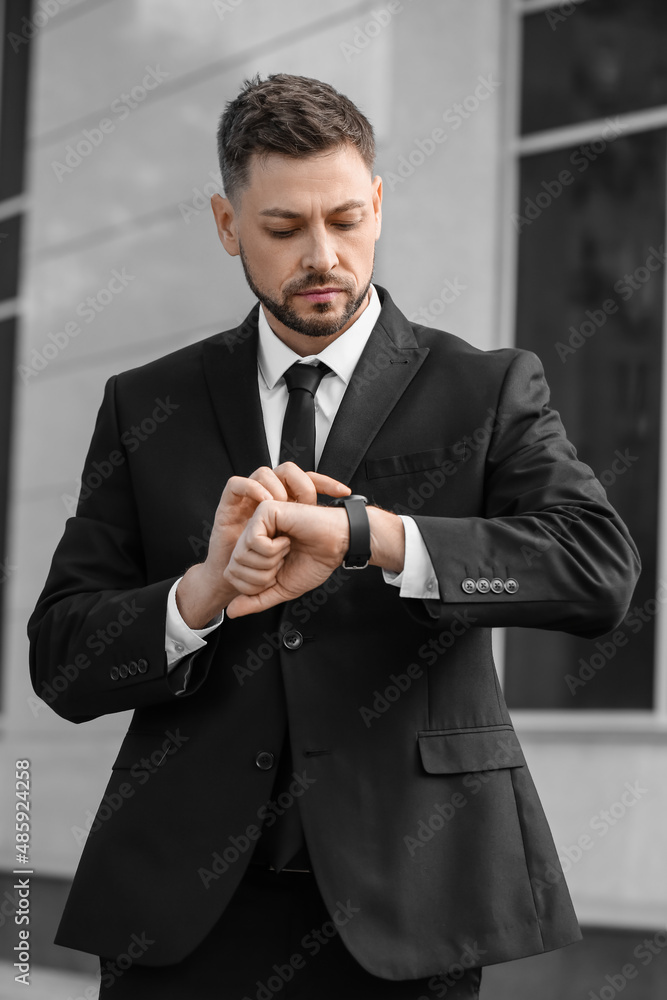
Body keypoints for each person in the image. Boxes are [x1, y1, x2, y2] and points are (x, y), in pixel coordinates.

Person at [28, 73, 640, 999]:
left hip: (410, 900)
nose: (323, 255)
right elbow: (62, 659)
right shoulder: (146, 406)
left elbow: (597, 571)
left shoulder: (488, 388)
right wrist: (203, 591)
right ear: (228, 226)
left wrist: (378, 537)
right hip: (188, 916)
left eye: (346, 220)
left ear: (378, 204)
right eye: (282, 230)